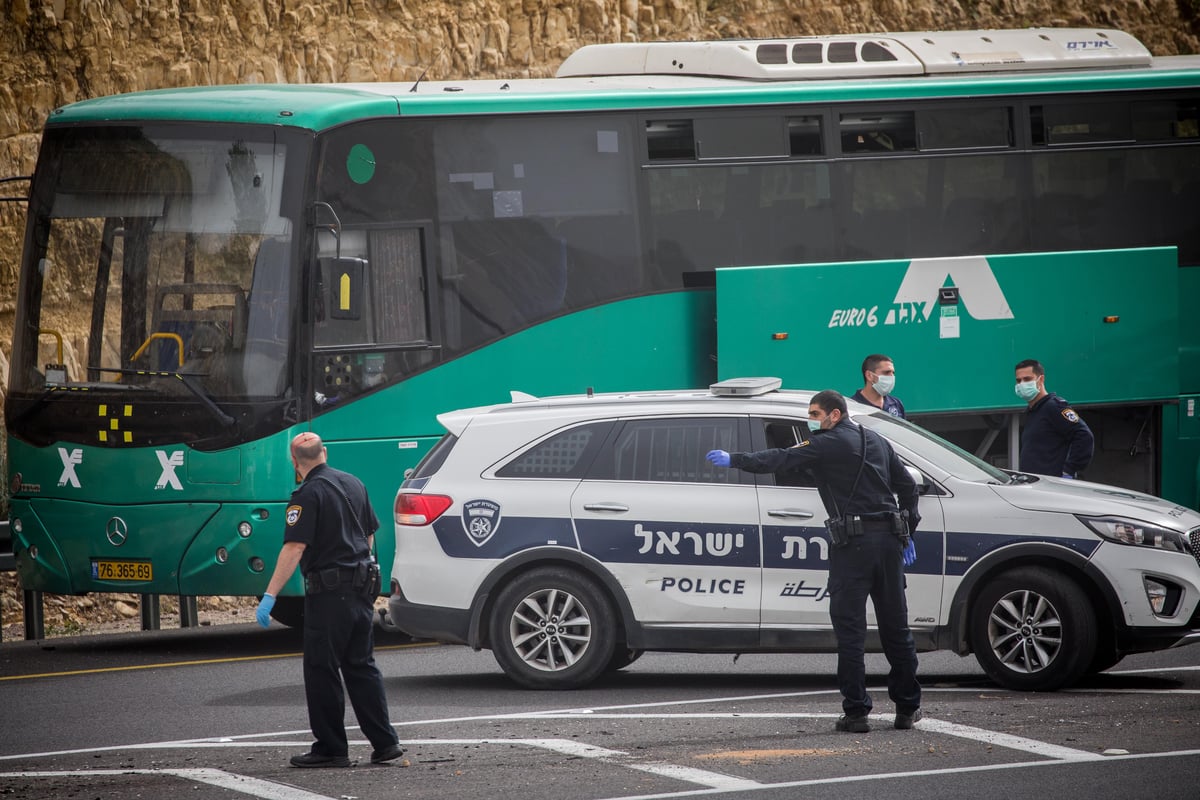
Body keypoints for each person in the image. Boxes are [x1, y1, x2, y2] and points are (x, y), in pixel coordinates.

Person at [705, 390, 922, 733]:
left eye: (815, 413)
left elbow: (778, 458)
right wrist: (908, 529)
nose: (811, 419)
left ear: (834, 415)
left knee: (850, 633)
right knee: (897, 630)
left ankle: (856, 713)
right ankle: (907, 709)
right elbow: (908, 487)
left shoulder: (827, 442)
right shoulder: (876, 439)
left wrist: (735, 459)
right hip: (891, 544)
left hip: (854, 547)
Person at [256, 432, 404, 768]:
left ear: (294, 463)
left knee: (321, 669)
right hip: (362, 586)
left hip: (330, 592)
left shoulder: (306, 495)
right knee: (361, 666)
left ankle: (331, 748)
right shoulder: (353, 482)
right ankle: (385, 743)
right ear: (325, 452)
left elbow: (294, 548)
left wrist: (270, 595)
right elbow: (368, 534)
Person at [1014, 359, 1094, 478]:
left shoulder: (1054, 407)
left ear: (1040, 380)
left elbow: (1084, 435)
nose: (1022, 384)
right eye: (1018, 380)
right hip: (1036, 484)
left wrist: (1069, 470)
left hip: (1052, 485)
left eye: (1027, 379)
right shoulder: (1033, 411)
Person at [851, 354, 905, 419]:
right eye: (886, 372)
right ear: (869, 375)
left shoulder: (896, 403)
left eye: (893, 373)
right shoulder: (852, 407)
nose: (892, 377)